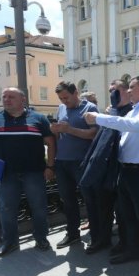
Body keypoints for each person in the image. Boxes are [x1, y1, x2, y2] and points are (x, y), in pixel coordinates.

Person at [84, 75, 139, 276]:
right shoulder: (135, 108)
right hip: (126, 170)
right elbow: (122, 129)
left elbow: (132, 126)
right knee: (127, 215)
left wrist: (98, 118)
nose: (128, 91)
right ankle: (134, 251)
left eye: (132, 88)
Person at [0, 88, 55, 258]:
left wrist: (50, 167)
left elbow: (51, 143)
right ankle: (10, 242)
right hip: (5, 174)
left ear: (22, 99)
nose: (6, 99)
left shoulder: (38, 118)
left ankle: (41, 238)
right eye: (4, 97)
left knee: (39, 207)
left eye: (11, 97)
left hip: (34, 173)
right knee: (6, 208)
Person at [80, 79, 133, 255]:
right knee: (101, 207)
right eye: (110, 91)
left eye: (115, 91)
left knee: (123, 210)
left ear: (127, 92)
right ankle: (101, 239)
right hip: (103, 167)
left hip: (121, 168)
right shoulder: (110, 112)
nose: (112, 94)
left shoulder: (133, 112)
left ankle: (126, 244)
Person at [50, 82, 98, 249]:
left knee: (90, 199)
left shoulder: (90, 108)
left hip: (82, 161)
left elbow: (94, 134)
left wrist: (69, 130)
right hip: (62, 162)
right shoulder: (61, 108)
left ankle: (96, 234)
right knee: (67, 200)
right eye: (61, 98)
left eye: (66, 97)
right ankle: (72, 234)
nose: (64, 101)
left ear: (76, 93)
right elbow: (59, 132)